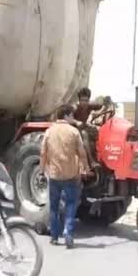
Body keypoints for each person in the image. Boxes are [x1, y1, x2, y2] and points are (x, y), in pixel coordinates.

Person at [40, 104, 90, 249]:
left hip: (54, 176)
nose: (73, 118)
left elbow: (43, 153)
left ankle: (54, 237)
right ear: (67, 115)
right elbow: (82, 153)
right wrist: (86, 168)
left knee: (54, 207)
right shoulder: (74, 132)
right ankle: (68, 232)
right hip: (71, 176)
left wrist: (42, 170)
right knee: (71, 205)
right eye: (72, 115)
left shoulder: (49, 132)